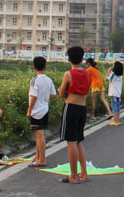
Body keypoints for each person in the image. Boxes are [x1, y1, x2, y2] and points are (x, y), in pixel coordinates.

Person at [58, 45, 91, 184]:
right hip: (82, 108)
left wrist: (62, 90)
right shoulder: (87, 73)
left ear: (69, 58)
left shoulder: (68, 74)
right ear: (82, 58)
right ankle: (83, 172)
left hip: (70, 107)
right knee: (78, 140)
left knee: (70, 141)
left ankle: (73, 175)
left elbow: (61, 93)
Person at [26, 56, 55, 168]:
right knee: (39, 135)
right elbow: (53, 94)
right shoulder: (48, 80)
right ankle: (38, 157)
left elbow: (33, 97)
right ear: (45, 67)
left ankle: (42, 159)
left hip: (36, 111)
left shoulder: (34, 81)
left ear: (34, 67)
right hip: (45, 109)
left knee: (39, 135)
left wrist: (29, 110)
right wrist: (44, 98)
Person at [107, 61, 123, 126]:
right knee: (118, 107)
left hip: (113, 92)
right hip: (118, 93)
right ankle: (118, 120)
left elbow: (106, 79)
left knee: (114, 107)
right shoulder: (121, 75)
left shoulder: (113, 74)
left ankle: (115, 121)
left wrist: (109, 70)